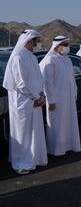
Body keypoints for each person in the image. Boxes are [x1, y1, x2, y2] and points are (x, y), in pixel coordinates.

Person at [3, 30, 48, 174]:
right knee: (22, 134)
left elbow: (38, 78)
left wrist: (41, 94)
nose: (38, 43)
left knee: (35, 132)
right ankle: (20, 163)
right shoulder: (17, 57)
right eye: (36, 40)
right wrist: (35, 97)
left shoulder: (31, 57)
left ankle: (34, 159)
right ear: (29, 41)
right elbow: (21, 84)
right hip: (22, 103)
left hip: (34, 100)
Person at [39, 35, 81, 156]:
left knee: (68, 123)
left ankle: (68, 146)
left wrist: (74, 93)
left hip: (68, 99)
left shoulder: (67, 60)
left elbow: (72, 79)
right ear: (57, 46)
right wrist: (51, 100)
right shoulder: (50, 60)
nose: (67, 47)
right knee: (57, 124)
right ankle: (56, 149)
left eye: (68, 44)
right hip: (56, 100)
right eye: (65, 45)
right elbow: (47, 82)